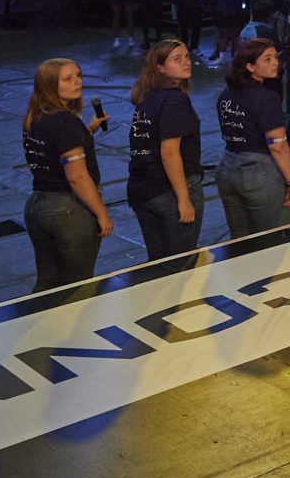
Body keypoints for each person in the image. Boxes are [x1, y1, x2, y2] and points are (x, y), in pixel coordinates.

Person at [22, 57, 111, 292]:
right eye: (68, 78)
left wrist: (87, 130)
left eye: (78, 75)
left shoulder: (35, 117)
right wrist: (101, 213)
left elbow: (55, 152)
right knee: (77, 286)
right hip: (68, 209)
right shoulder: (67, 124)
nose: (77, 82)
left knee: (48, 281)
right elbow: (77, 176)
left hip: (38, 206)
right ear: (51, 85)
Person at [127, 38, 204, 261]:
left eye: (187, 56)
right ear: (160, 67)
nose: (186, 62)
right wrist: (183, 198)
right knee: (178, 265)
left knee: (158, 264)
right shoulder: (175, 101)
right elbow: (169, 152)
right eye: (177, 59)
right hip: (169, 191)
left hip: (143, 189)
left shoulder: (146, 97)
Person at [215, 37, 290, 239]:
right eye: (267, 59)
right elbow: (277, 146)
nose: (276, 62)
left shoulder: (226, 94)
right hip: (257, 172)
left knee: (239, 237)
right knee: (263, 239)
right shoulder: (266, 98)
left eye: (275, 57)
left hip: (227, 168)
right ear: (250, 66)